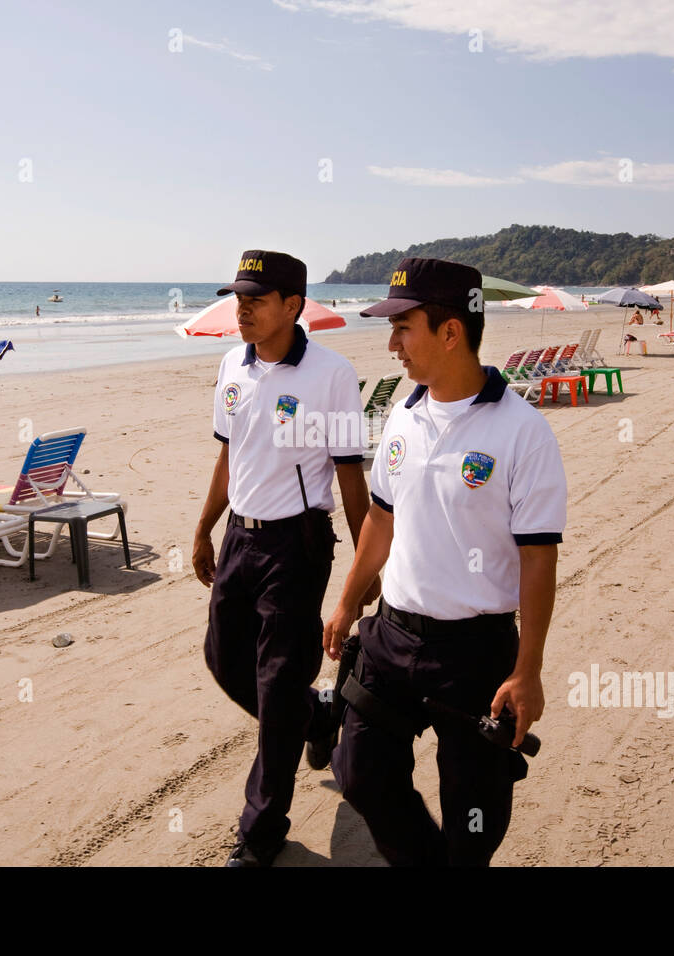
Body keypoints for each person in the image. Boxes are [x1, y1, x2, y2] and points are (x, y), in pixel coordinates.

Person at [323, 257, 566, 866]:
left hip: (476, 655)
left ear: (450, 331)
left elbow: (539, 559)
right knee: (359, 772)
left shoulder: (522, 432)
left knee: (474, 820)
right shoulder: (404, 415)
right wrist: (349, 601)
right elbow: (381, 518)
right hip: (393, 635)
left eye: (403, 327)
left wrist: (528, 669)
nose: (392, 343)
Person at [193, 249, 376, 867]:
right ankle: (315, 713)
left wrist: (364, 564)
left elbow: (351, 476)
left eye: (256, 299)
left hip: (297, 545)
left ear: (292, 305)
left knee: (275, 683)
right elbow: (228, 455)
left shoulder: (331, 374)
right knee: (223, 657)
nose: (240, 309)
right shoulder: (231, 365)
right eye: (238, 298)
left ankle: (261, 831)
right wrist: (202, 530)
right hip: (238, 539)